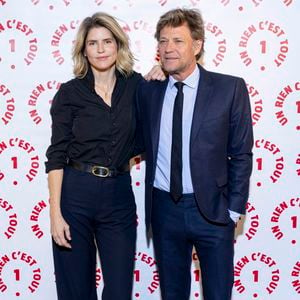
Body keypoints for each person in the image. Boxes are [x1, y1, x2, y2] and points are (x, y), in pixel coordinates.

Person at [135, 8, 253, 300]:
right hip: (164, 209)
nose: (168, 48)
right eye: (163, 41)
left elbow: (241, 153)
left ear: (197, 45)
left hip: (213, 212)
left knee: (217, 294)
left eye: (177, 40)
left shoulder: (229, 88)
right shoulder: (148, 90)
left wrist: (233, 210)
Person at [45, 12, 164, 300]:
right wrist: (55, 213)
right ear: (83, 50)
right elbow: (57, 155)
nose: (100, 50)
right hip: (75, 193)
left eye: (107, 41)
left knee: (120, 290)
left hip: (118, 195)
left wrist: (162, 74)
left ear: (118, 45)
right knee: (75, 289)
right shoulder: (70, 93)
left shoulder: (138, 86)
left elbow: (151, 131)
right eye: (93, 43)